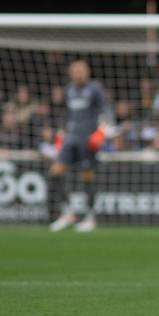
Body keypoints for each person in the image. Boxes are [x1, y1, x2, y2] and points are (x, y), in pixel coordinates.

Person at [49, 60, 110, 232]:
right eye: (75, 71)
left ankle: (90, 217)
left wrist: (102, 131)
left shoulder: (95, 88)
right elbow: (67, 113)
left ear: (87, 72)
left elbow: (106, 109)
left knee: (87, 177)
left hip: (88, 139)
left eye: (81, 70)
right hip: (71, 138)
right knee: (55, 172)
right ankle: (68, 212)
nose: (78, 74)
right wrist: (61, 132)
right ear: (70, 73)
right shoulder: (69, 89)